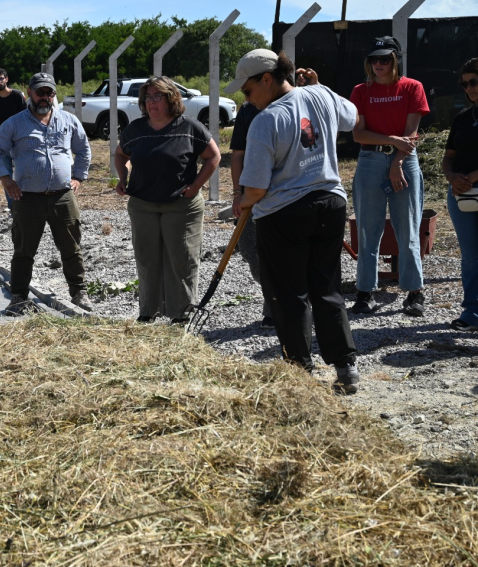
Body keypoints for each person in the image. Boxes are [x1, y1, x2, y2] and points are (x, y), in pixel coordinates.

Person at [226, 49, 361, 394]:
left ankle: (299, 370)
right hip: (329, 201)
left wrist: (242, 202)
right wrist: (319, 88)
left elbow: (256, 186)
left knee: (289, 293)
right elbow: (352, 118)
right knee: (326, 287)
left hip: (285, 211)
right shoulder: (321, 94)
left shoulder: (266, 121)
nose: (248, 99)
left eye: (248, 90)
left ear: (267, 79)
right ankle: (345, 367)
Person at [0, 72, 94, 313]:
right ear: (29, 94)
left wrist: (78, 177)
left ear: (54, 95)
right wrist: (5, 178)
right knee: (24, 250)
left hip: (63, 196)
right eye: (40, 92)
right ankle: (19, 297)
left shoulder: (68, 120)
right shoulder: (15, 123)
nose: (44, 98)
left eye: (49, 93)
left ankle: (79, 292)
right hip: (27, 198)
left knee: (71, 247)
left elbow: (84, 149)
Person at [114, 76, 221, 323]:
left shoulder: (189, 127)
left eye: (157, 97)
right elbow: (120, 154)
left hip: (181, 205)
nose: (151, 102)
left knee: (181, 260)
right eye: (147, 98)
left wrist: (195, 186)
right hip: (143, 205)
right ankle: (148, 312)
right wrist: (122, 178)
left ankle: (181, 314)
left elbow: (213, 156)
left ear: (171, 99)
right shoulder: (136, 129)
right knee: (147, 259)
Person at [349, 36, 430, 317]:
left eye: (384, 59)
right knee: (367, 229)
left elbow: (412, 135)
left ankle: (414, 291)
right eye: (374, 59)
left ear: (396, 60)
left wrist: (397, 160)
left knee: (408, 227)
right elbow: (358, 133)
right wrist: (392, 140)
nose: (378, 64)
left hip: (405, 161)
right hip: (370, 159)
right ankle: (365, 291)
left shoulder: (412, 87)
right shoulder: (361, 91)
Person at [441, 57, 478, 331]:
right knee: (470, 255)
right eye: (465, 84)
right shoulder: (463, 118)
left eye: (474, 81)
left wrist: (471, 178)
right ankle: (471, 314)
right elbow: (448, 156)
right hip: (461, 195)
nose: (470, 88)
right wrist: (452, 177)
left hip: (468, 185)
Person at [230, 102, 274, 327]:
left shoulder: (293, 102)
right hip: (251, 191)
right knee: (248, 247)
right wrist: (238, 192)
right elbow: (237, 154)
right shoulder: (248, 111)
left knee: (280, 252)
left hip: (286, 191)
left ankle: (275, 307)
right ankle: (274, 298)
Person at [0, 68, 26, 210]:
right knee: (6, 176)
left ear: (6, 79)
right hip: (3, 144)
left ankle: (25, 205)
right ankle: (13, 207)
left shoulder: (17, 96)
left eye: (1, 78)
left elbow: (26, 118)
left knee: (23, 173)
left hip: (20, 142)